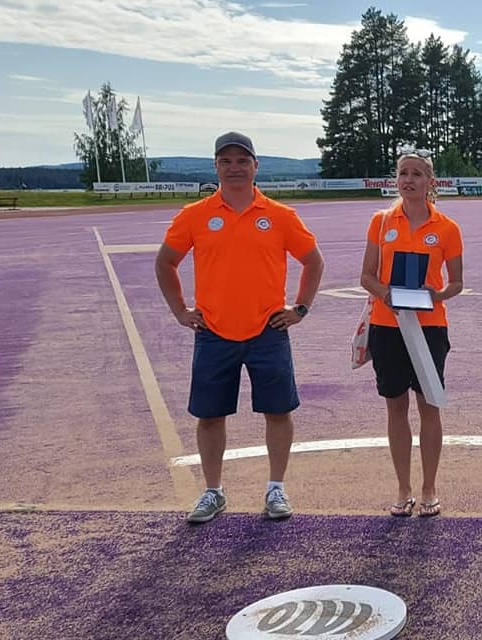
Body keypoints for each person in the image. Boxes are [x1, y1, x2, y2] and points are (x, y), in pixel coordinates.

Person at [155, 131, 325, 523]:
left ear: (255, 166)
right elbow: (165, 262)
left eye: (242, 161)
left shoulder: (280, 216)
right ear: (216, 166)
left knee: (278, 411)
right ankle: (213, 491)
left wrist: (300, 308)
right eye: (226, 161)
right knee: (210, 415)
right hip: (213, 331)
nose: (235, 168)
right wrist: (180, 311)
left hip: (268, 330)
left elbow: (313, 261)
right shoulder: (194, 215)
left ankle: (276, 488)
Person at [358, 150, 464, 518]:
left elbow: (456, 283)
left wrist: (437, 295)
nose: (409, 180)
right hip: (388, 327)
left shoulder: (447, 227)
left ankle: (429, 487)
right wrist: (386, 294)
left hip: (429, 328)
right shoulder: (381, 221)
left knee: (429, 407)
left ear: (430, 181)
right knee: (395, 406)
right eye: (404, 173)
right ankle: (403, 487)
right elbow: (366, 276)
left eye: (417, 174)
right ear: (396, 179)